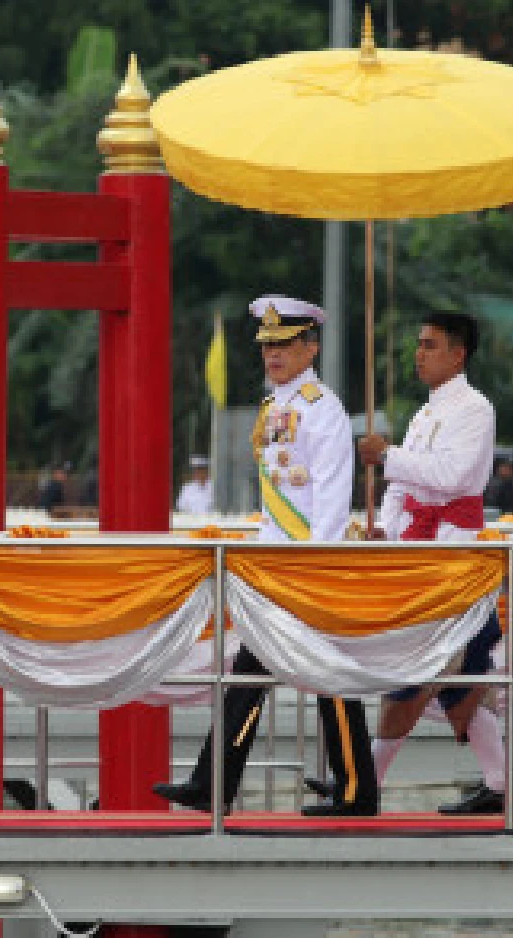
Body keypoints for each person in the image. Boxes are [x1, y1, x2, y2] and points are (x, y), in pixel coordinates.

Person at [153, 295, 378, 817]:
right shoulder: (279, 406)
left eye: (284, 345)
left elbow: (329, 494)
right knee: (255, 673)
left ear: (310, 348)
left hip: (305, 566)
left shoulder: (322, 409)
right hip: (276, 562)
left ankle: (353, 789)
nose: (273, 355)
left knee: (321, 674)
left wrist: (312, 568)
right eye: (267, 346)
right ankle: (217, 784)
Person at [347, 310, 513, 816]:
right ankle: (501, 784)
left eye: (430, 345)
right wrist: (386, 528)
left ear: (457, 354)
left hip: (455, 552)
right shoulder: (425, 414)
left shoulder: (476, 408)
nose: (419, 354)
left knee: (423, 668)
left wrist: (387, 455)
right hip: (420, 552)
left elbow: (450, 476)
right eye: (419, 344)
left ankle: (364, 783)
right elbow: (403, 488)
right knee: (457, 674)